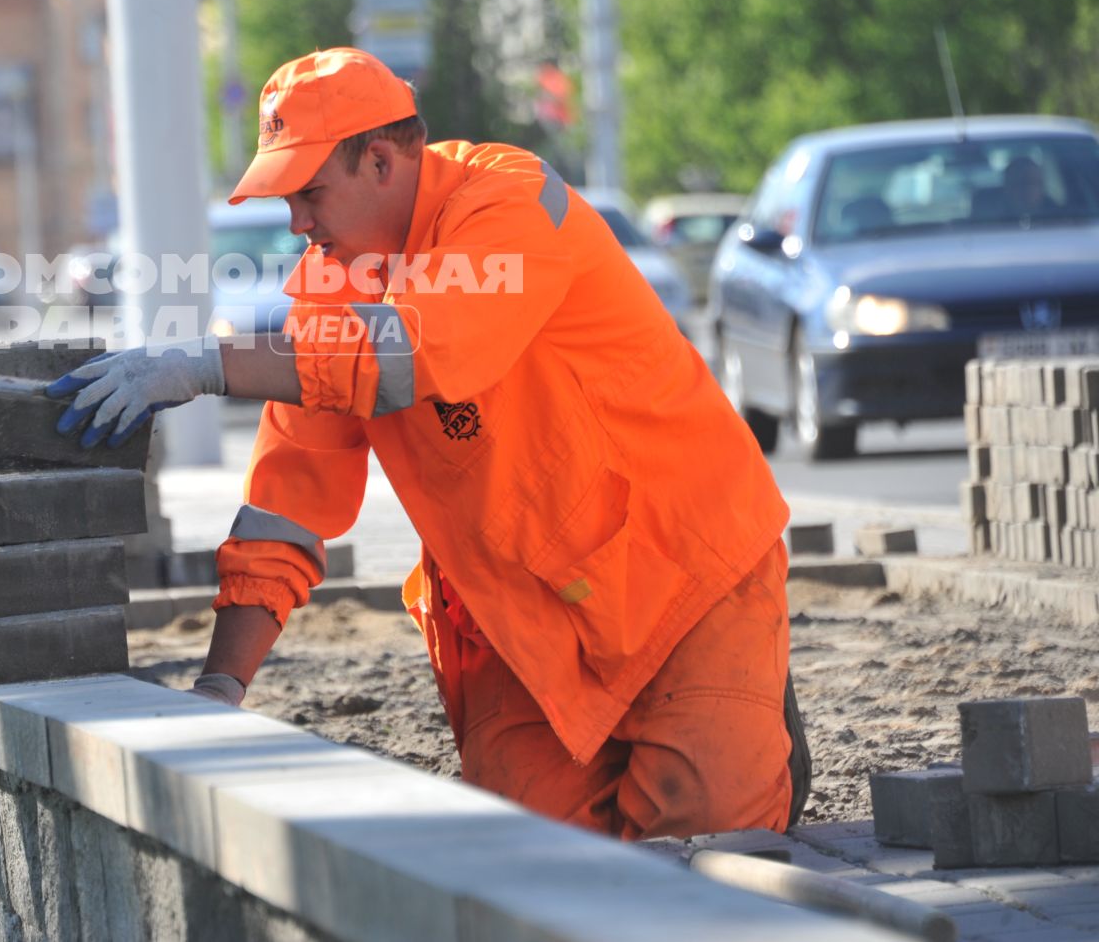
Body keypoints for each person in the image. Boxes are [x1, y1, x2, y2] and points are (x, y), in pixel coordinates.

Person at [48, 47, 810, 839]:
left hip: (681, 574)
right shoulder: (330, 284)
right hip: (525, 619)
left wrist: (204, 366)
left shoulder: (511, 204)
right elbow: (287, 506)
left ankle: (760, 738)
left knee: (702, 836)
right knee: (543, 864)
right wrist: (219, 686)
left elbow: (415, 354)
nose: (297, 223)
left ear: (381, 160)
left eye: (308, 193)